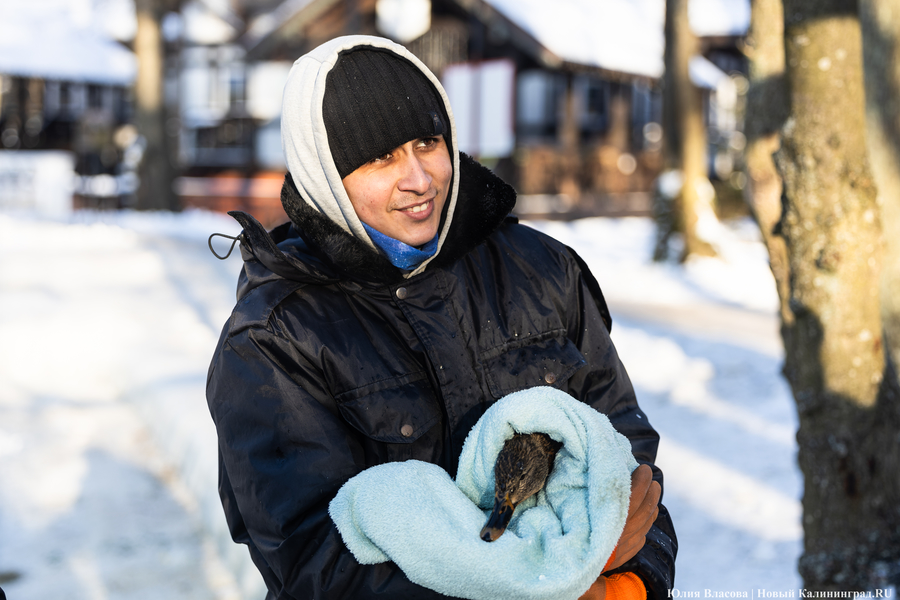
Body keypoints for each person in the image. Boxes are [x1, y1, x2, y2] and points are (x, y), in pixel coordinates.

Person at [206, 35, 676, 600]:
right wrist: (554, 588)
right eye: (381, 157)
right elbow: (316, 563)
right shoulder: (276, 339)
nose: (420, 179)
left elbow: (623, 450)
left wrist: (631, 581)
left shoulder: (542, 270)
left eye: (428, 142)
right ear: (324, 174)